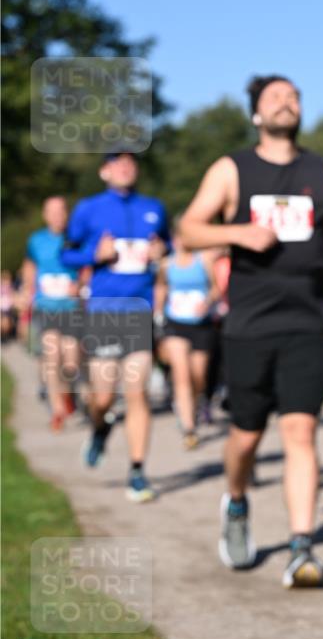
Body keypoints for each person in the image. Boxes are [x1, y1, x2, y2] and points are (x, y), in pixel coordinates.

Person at [180, 75, 323, 588]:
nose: (286, 103)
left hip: (307, 319)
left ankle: (301, 547)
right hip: (249, 322)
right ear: (256, 115)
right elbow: (190, 228)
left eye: (293, 96)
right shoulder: (232, 169)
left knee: (301, 431)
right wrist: (237, 231)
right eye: (275, 98)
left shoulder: (320, 168)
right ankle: (237, 502)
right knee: (245, 437)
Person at [62, 150, 170, 502]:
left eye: (131, 162)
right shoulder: (89, 209)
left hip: (139, 310)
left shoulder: (153, 207)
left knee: (137, 392)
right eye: (117, 163)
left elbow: (164, 244)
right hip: (104, 311)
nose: (126, 168)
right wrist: (96, 256)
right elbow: (67, 253)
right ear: (104, 171)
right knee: (104, 396)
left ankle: (137, 471)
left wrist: (160, 252)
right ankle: (100, 427)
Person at [154, 218, 221, 449]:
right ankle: (188, 427)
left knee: (198, 375)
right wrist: (158, 314)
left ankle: (196, 403)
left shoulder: (204, 260)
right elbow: (161, 287)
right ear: (174, 239)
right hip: (175, 323)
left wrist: (208, 301)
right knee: (181, 373)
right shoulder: (166, 264)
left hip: (201, 324)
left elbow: (216, 287)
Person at [22, 197, 81, 431]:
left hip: (71, 307)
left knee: (71, 361)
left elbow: (87, 265)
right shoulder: (36, 240)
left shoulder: (75, 238)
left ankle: (68, 393)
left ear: (66, 214)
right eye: (52, 212)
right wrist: (29, 290)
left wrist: (80, 285)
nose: (57, 216)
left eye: (61, 211)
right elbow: (30, 266)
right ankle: (57, 409)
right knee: (51, 355)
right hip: (45, 306)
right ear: (45, 215)